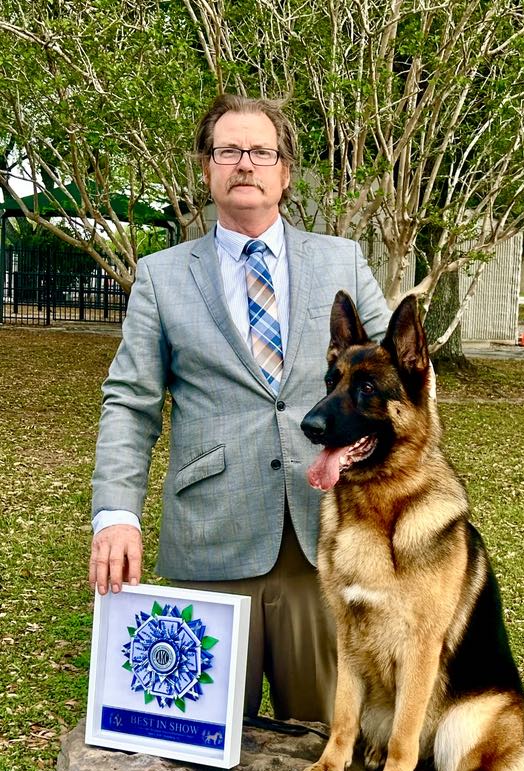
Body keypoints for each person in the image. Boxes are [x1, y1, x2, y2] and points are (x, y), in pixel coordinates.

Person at [89, 93, 392, 723]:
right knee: (201, 739)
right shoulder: (161, 277)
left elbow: (399, 379)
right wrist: (116, 514)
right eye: (228, 151)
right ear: (207, 168)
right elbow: (130, 403)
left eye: (261, 152)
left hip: (328, 536)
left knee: (327, 735)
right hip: (212, 539)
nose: (245, 164)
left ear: (285, 171)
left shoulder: (342, 260)